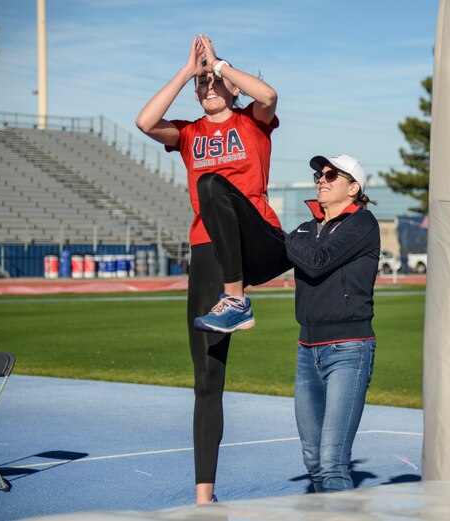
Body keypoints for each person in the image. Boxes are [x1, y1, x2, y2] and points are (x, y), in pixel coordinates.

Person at [135, 34, 289, 504]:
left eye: (213, 80)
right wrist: (186, 72)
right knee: (206, 379)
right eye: (201, 83)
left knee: (213, 188)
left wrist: (219, 64)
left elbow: (269, 96)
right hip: (208, 255)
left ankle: (238, 297)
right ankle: (205, 495)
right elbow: (144, 122)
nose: (206, 86)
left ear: (228, 83)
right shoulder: (189, 133)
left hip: (258, 240)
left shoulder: (252, 121)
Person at [283, 153, 380, 492]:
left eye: (330, 175)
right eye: (319, 175)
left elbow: (317, 262)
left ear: (353, 188)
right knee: (312, 458)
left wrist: (285, 238)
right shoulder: (306, 228)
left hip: (348, 350)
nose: (321, 180)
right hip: (307, 350)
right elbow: (276, 254)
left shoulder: (362, 224)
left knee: (332, 461)